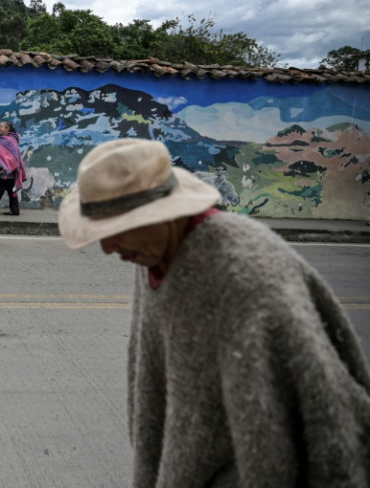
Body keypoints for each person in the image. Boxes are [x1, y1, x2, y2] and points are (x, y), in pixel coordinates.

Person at [58, 138, 370, 487]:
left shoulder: (246, 274)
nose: (106, 247)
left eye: (115, 231)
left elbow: (320, 420)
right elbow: (152, 377)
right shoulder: (152, 251)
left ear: (163, 214)